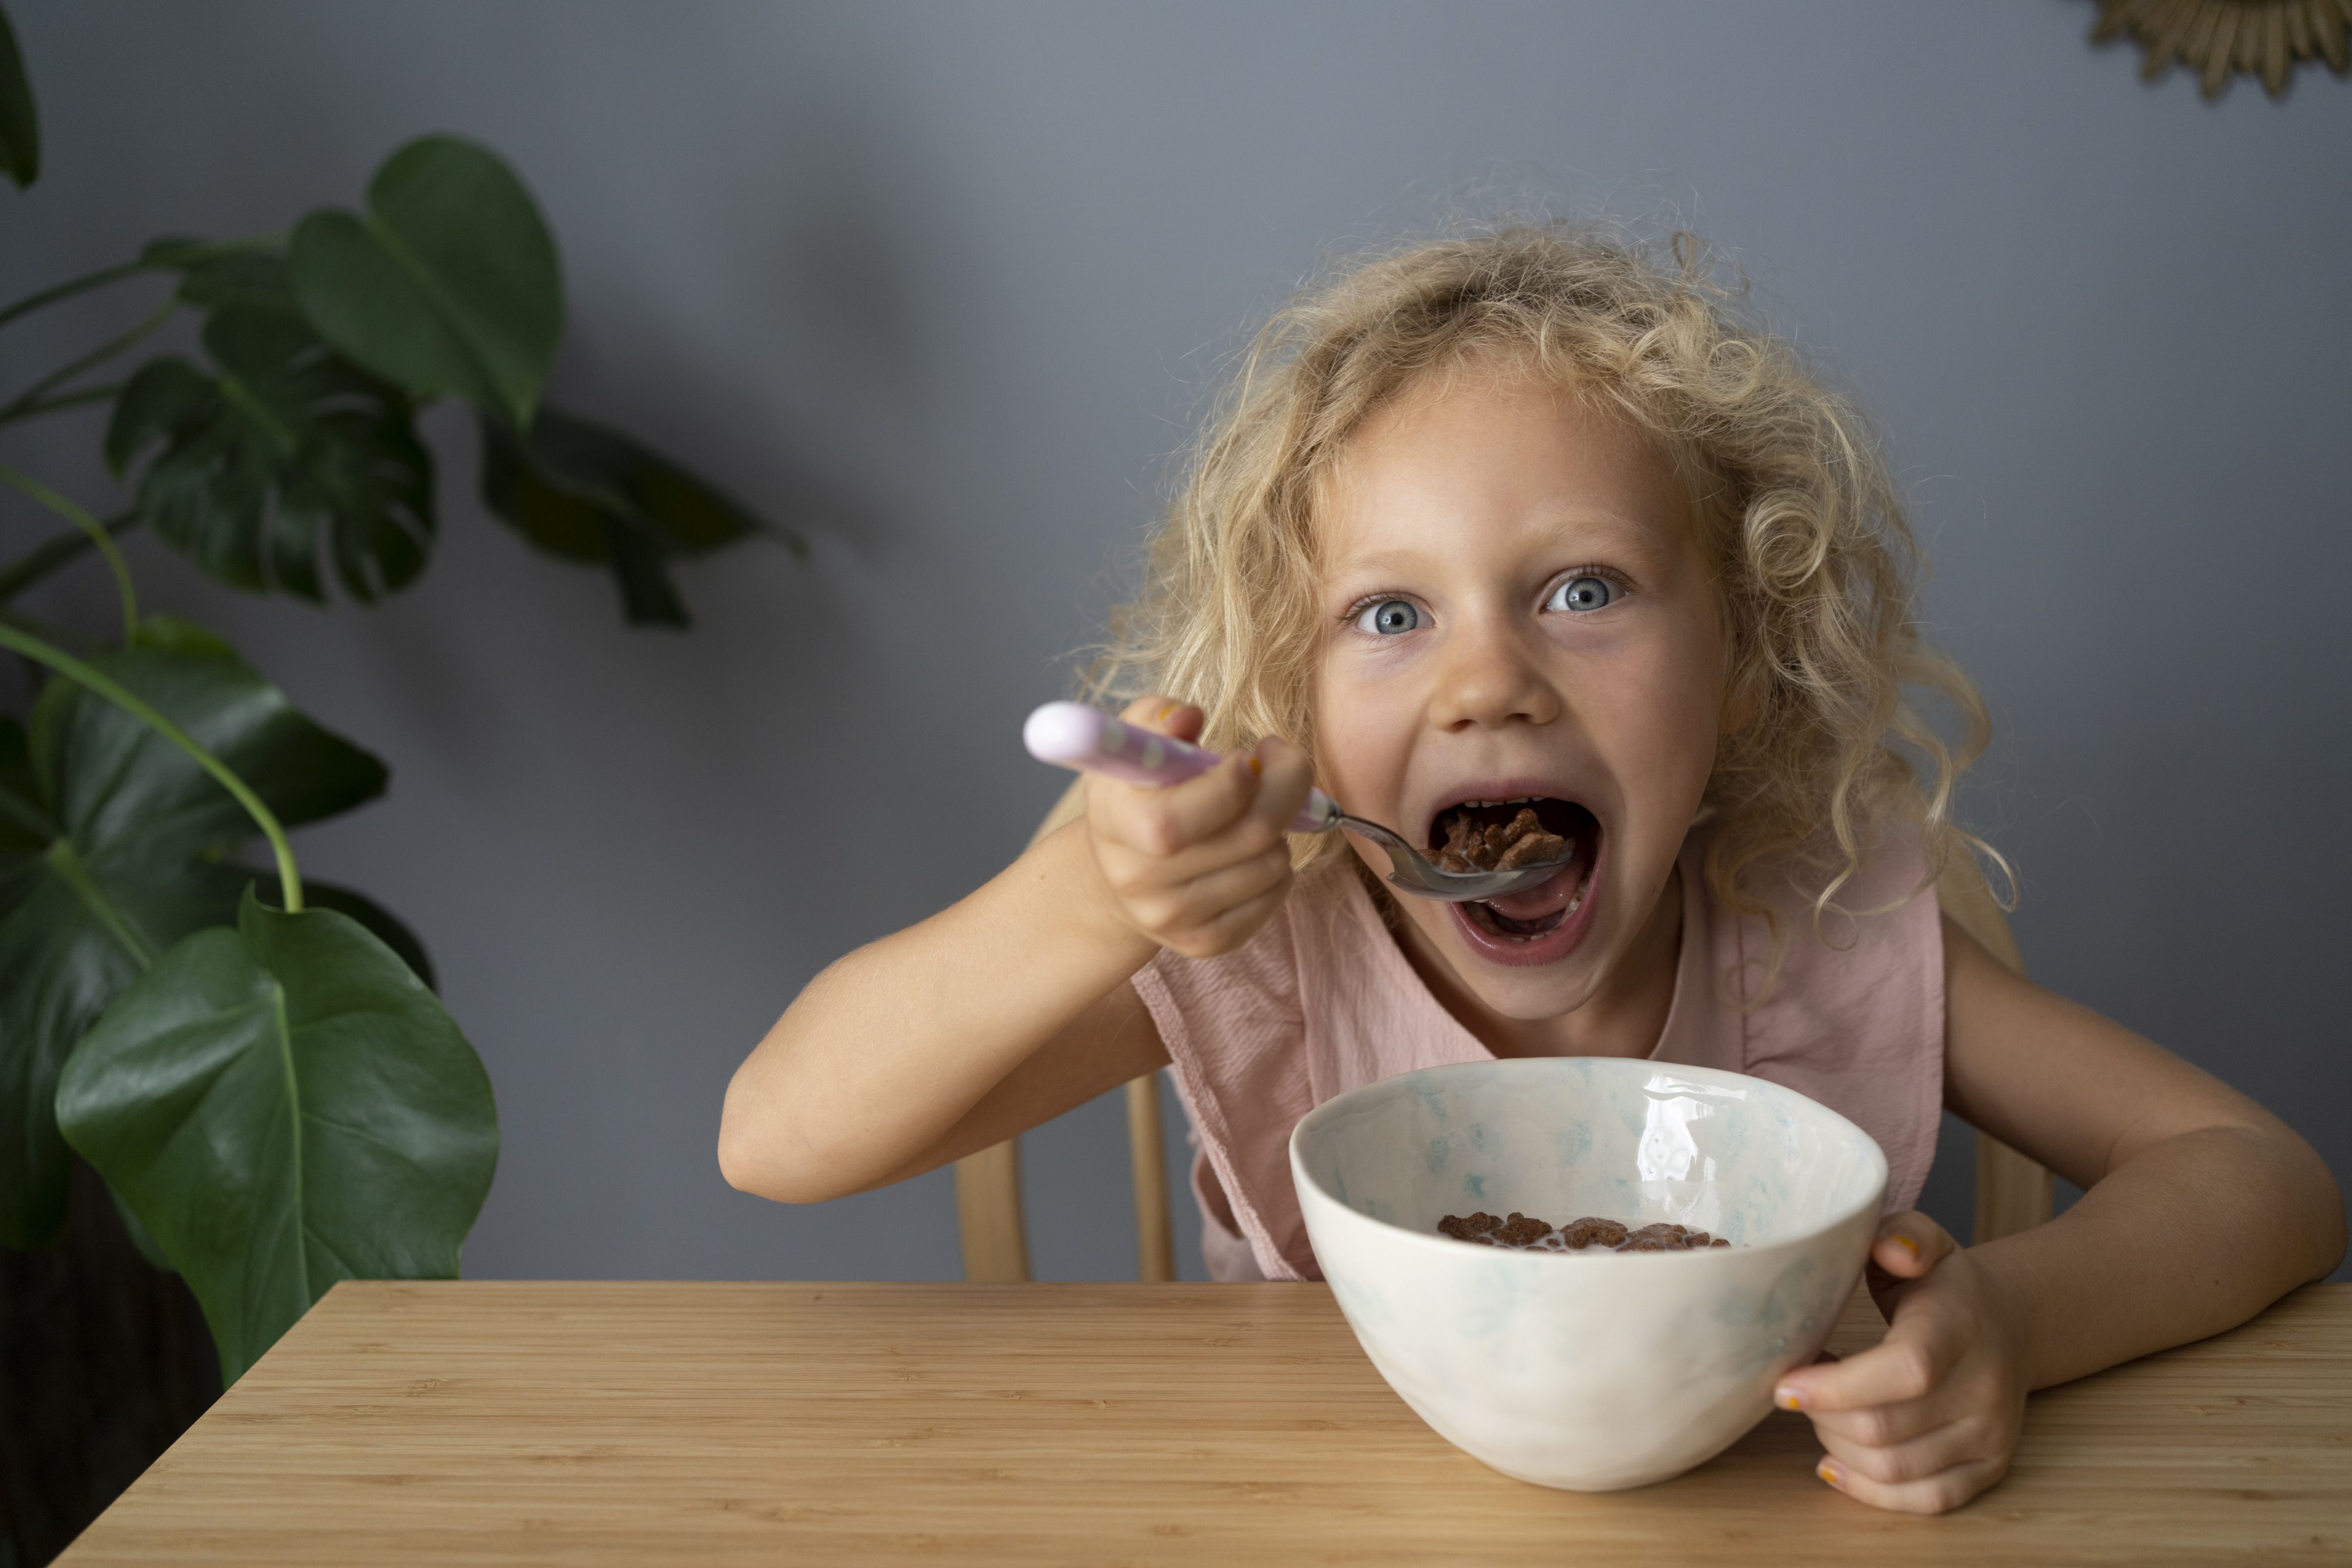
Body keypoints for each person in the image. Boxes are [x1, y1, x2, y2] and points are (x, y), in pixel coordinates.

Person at [719, 223, 2344, 1513]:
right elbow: (775, 1139)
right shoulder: (1271, 950)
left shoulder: (1823, 931)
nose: (1485, 680)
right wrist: (1084, 897)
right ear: (1299, 695)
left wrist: (2014, 1321)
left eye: (1581, 590)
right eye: (1390, 614)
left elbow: (2262, 1174)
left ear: (1750, 668)